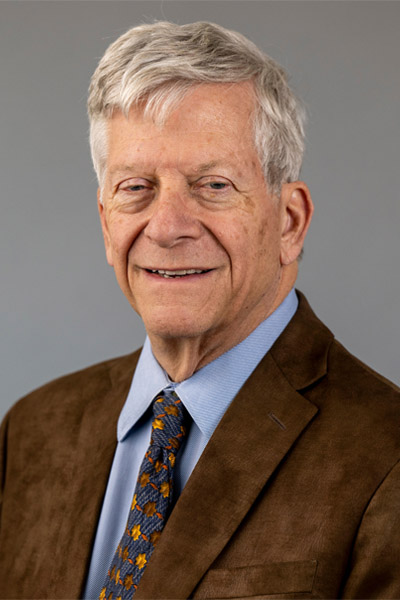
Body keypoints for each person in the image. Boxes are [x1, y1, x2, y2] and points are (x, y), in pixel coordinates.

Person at [0, 21, 399, 600]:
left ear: (290, 222)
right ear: (105, 219)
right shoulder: (33, 433)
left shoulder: (385, 458)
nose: (166, 227)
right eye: (136, 187)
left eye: (212, 185)